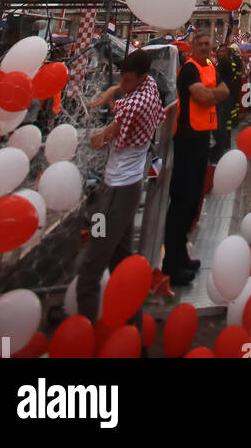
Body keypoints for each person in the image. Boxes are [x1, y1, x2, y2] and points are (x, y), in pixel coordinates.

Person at [77, 49, 166, 322]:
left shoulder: (132, 106)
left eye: (128, 82)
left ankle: (87, 333)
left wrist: (81, 131)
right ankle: (133, 330)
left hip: (115, 193)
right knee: (122, 261)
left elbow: (100, 140)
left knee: (91, 266)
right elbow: (127, 88)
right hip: (128, 187)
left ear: (140, 77)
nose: (123, 85)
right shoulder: (149, 88)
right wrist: (113, 90)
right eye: (123, 80)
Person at [162, 29, 229, 286]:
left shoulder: (211, 66)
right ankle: (171, 264)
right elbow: (204, 96)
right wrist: (213, 94)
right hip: (187, 140)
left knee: (192, 203)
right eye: (199, 43)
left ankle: (182, 257)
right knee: (181, 203)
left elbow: (224, 90)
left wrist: (213, 94)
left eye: (206, 43)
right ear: (192, 46)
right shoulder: (189, 69)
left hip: (202, 139)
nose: (203, 47)